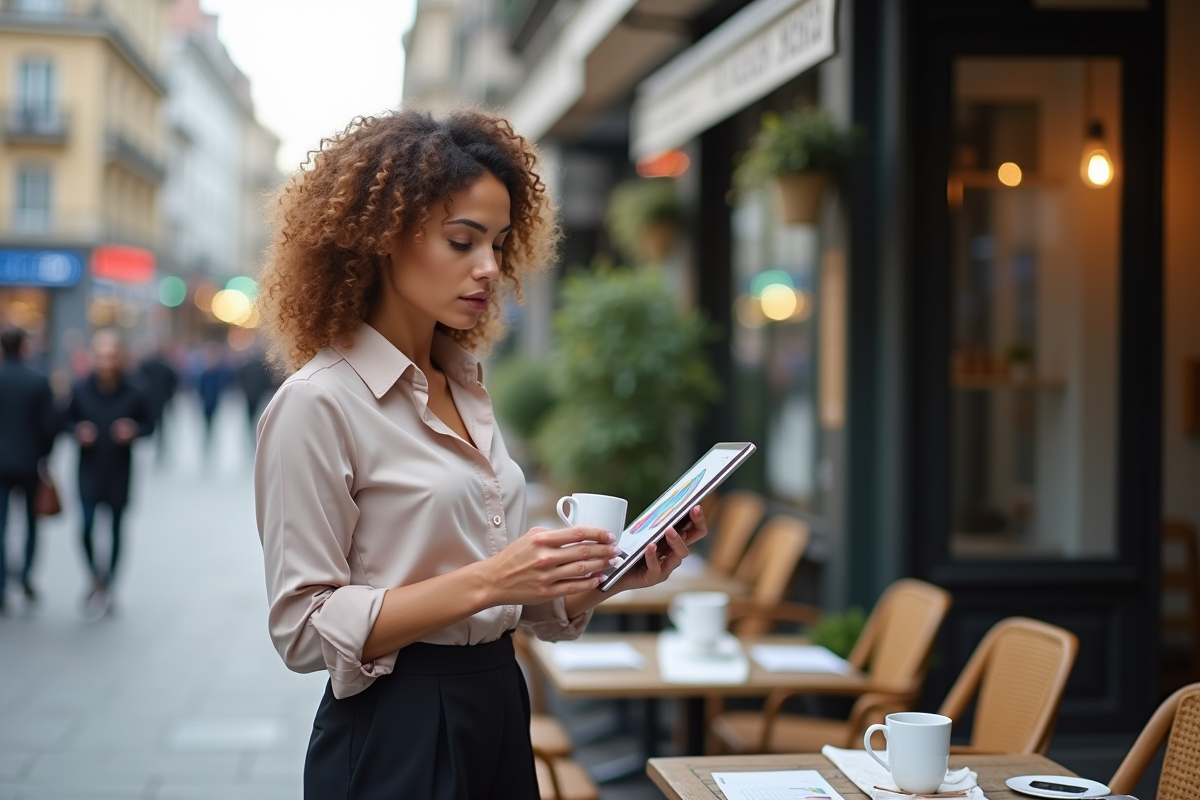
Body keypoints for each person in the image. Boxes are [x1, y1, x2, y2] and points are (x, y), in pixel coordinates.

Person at [254, 108, 709, 800]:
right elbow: (302, 628)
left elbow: (500, 600)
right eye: (462, 241)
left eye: (498, 243)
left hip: (497, 697)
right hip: (396, 722)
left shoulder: (463, 385)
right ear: (381, 239)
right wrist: (494, 579)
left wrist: (611, 577)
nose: (490, 268)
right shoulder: (317, 403)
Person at [65, 329, 153, 617]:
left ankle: (109, 584)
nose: (105, 361)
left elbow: (149, 425)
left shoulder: (135, 389)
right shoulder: (80, 388)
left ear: (120, 357)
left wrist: (134, 431)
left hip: (119, 470)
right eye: (101, 355)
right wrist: (77, 430)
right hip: (89, 469)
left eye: (111, 355)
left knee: (115, 528)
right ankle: (96, 577)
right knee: (87, 526)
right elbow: (63, 418)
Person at [0, 328, 57, 612]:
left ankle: (1, 584)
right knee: (31, 524)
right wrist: (44, 454)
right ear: (23, 346)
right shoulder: (38, 379)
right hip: (29, 462)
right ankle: (25, 576)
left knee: (1, 524)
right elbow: (50, 425)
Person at [138, 343, 179, 463]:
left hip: (148, 400)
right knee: (161, 426)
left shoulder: (145, 365)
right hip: (161, 400)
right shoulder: (166, 367)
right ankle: (159, 448)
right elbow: (173, 384)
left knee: (149, 422)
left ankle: (148, 447)